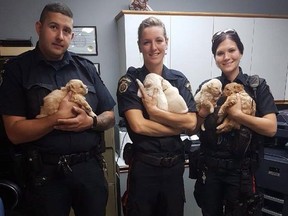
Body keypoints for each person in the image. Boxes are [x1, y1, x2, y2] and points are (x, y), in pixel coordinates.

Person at [0, 2, 115, 216]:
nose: (60, 36)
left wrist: (92, 122)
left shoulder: (86, 68)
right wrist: (55, 119)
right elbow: (14, 132)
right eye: (53, 27)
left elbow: (109, 115)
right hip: (44, 176)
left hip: (89, 169)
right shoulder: (17, 70)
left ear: (72, 35)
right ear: (39, 27)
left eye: (67, 30)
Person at [116, 16, 199, 216]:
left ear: (166, 43)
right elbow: (139, 126)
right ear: (140, 46)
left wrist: (154, 113)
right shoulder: (131, 82)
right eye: (147, 42)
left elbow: (193, 124)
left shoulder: (178, 80)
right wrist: (178, 127)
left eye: (159, 40)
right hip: (145, 169)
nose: (153, 47)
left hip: (173, 170)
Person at [193, 29, 278, 215]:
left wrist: (238, 116)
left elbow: (271, 128)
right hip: (210, 170)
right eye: (220, 53)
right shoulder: (209, 87)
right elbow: (193, 126)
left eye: (231, 50)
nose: (226, 57)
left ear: (241, 52)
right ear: (215, 57)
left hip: (241, 173)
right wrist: (201, 113)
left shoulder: (256, 87)